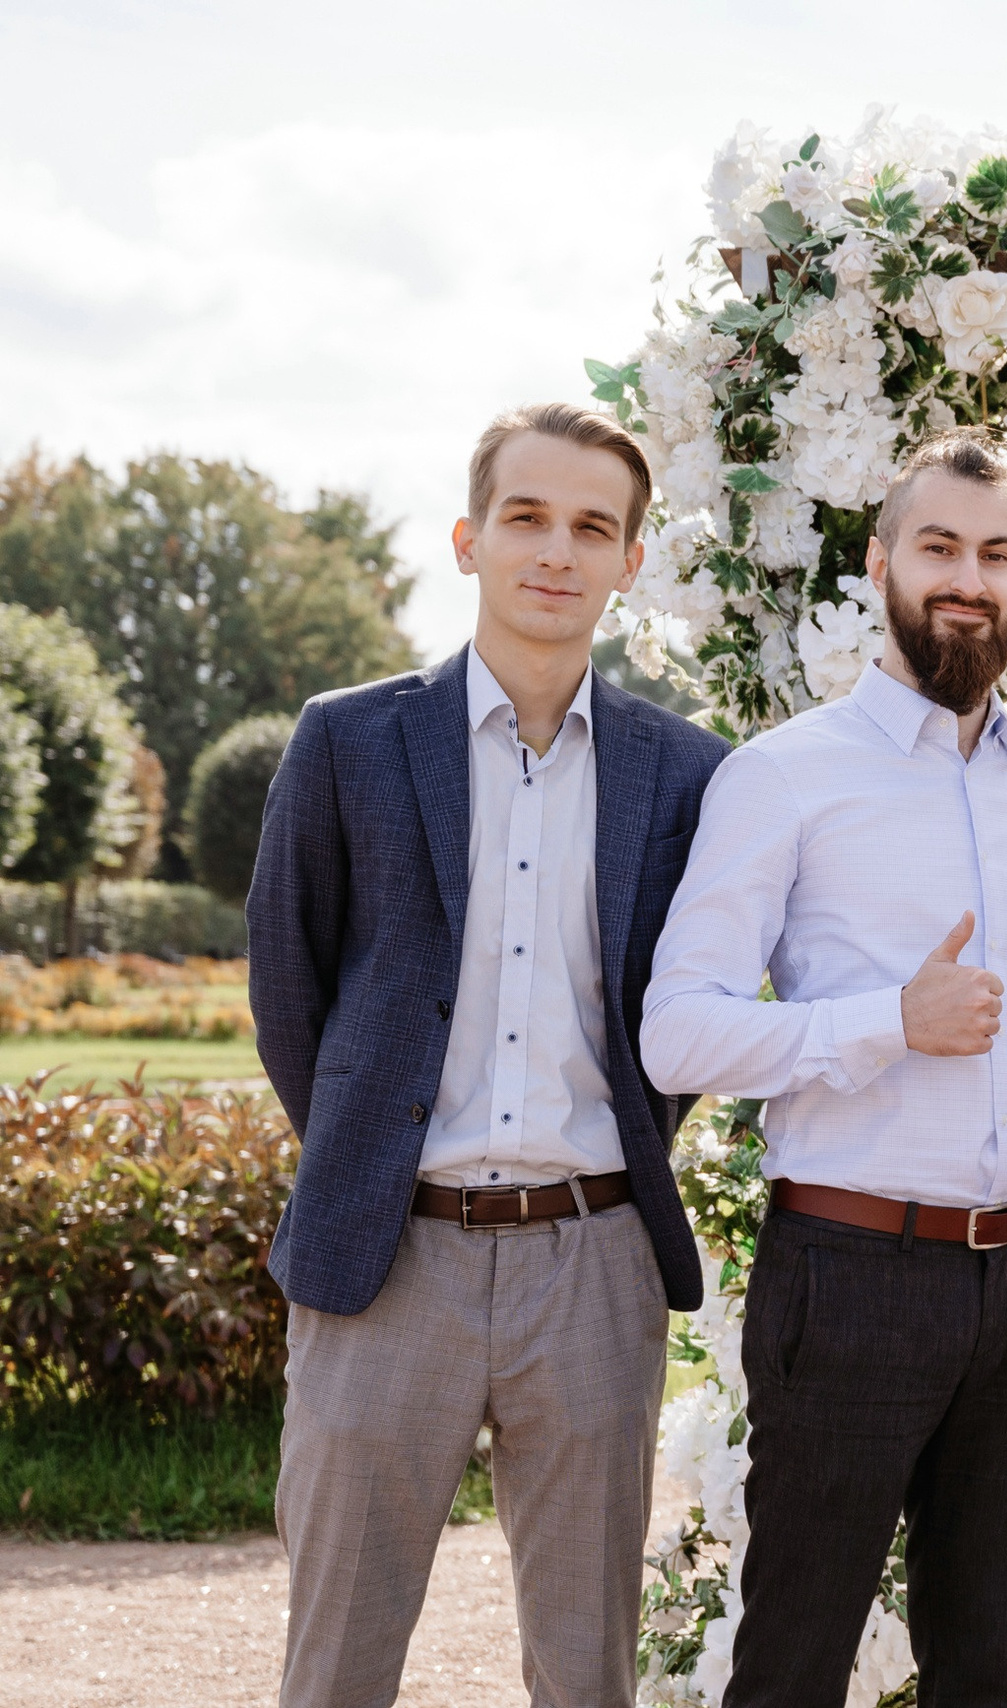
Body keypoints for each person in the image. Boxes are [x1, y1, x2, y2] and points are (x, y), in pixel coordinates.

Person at [248, 402, 733, 1708]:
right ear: (470, 539)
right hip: (385, 1259)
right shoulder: (347, 740)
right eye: (527, 517)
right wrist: (370, 1154)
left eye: (592, 527)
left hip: (595, 1263)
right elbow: (288, 986)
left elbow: (682, 1014)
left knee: (587, 1671)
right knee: (336, 1664)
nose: (556, 551)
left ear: (630, 560)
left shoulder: (688, 774)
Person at [640, 428, 1007, 1708]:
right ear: (878, 564)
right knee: (792, 1669)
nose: (968, 578)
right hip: (851, 1273)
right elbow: (676, 1031)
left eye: (996, 554)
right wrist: (885, 1023)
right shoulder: (782, 777)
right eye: (939, 547)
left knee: (988, 1676)